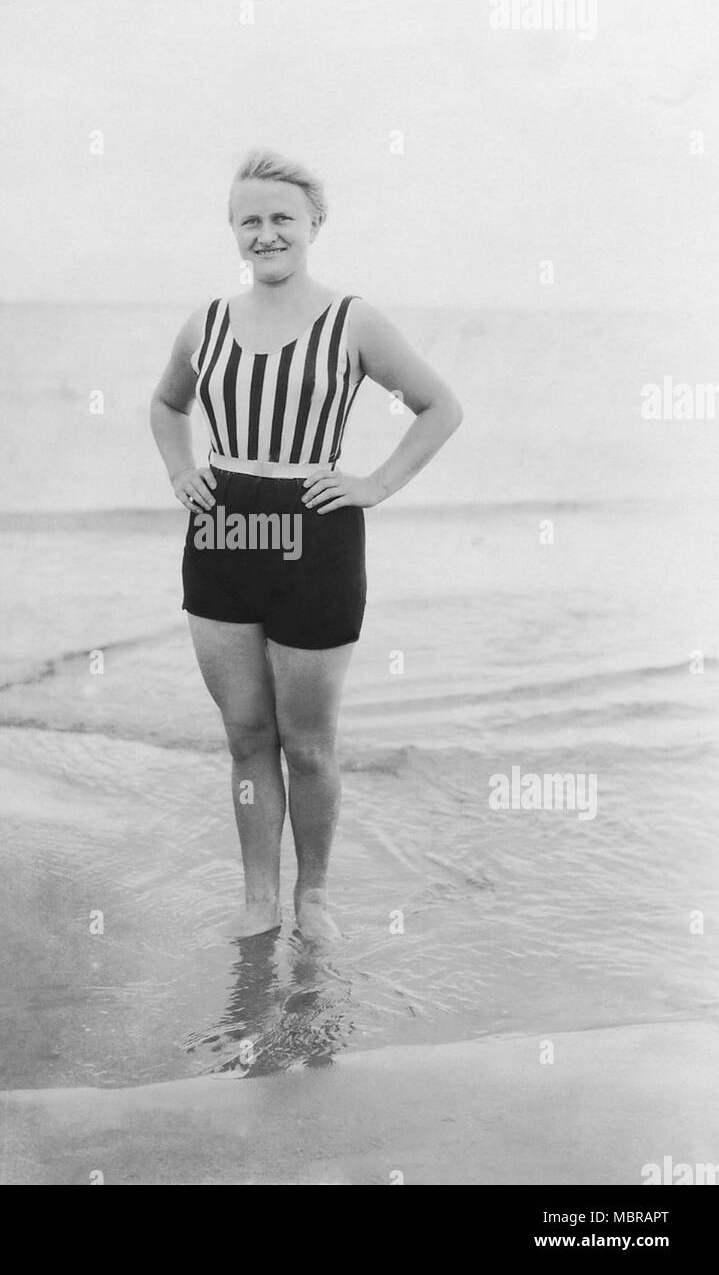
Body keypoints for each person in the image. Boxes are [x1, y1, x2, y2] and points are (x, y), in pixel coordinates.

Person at [150, 149, 463, 943]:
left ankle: (312, 897)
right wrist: (182, 471)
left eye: (281, 217)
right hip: (220, 534)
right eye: (249, 220)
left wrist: (376, 484)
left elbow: (437, 406)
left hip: (315, 538)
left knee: (309, 744)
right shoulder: (207, 322)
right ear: (233, 232)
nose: (266, 233)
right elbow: (165, 404)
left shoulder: (351, 320)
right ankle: (258, 897)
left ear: (313, 225)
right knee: (246, 736)